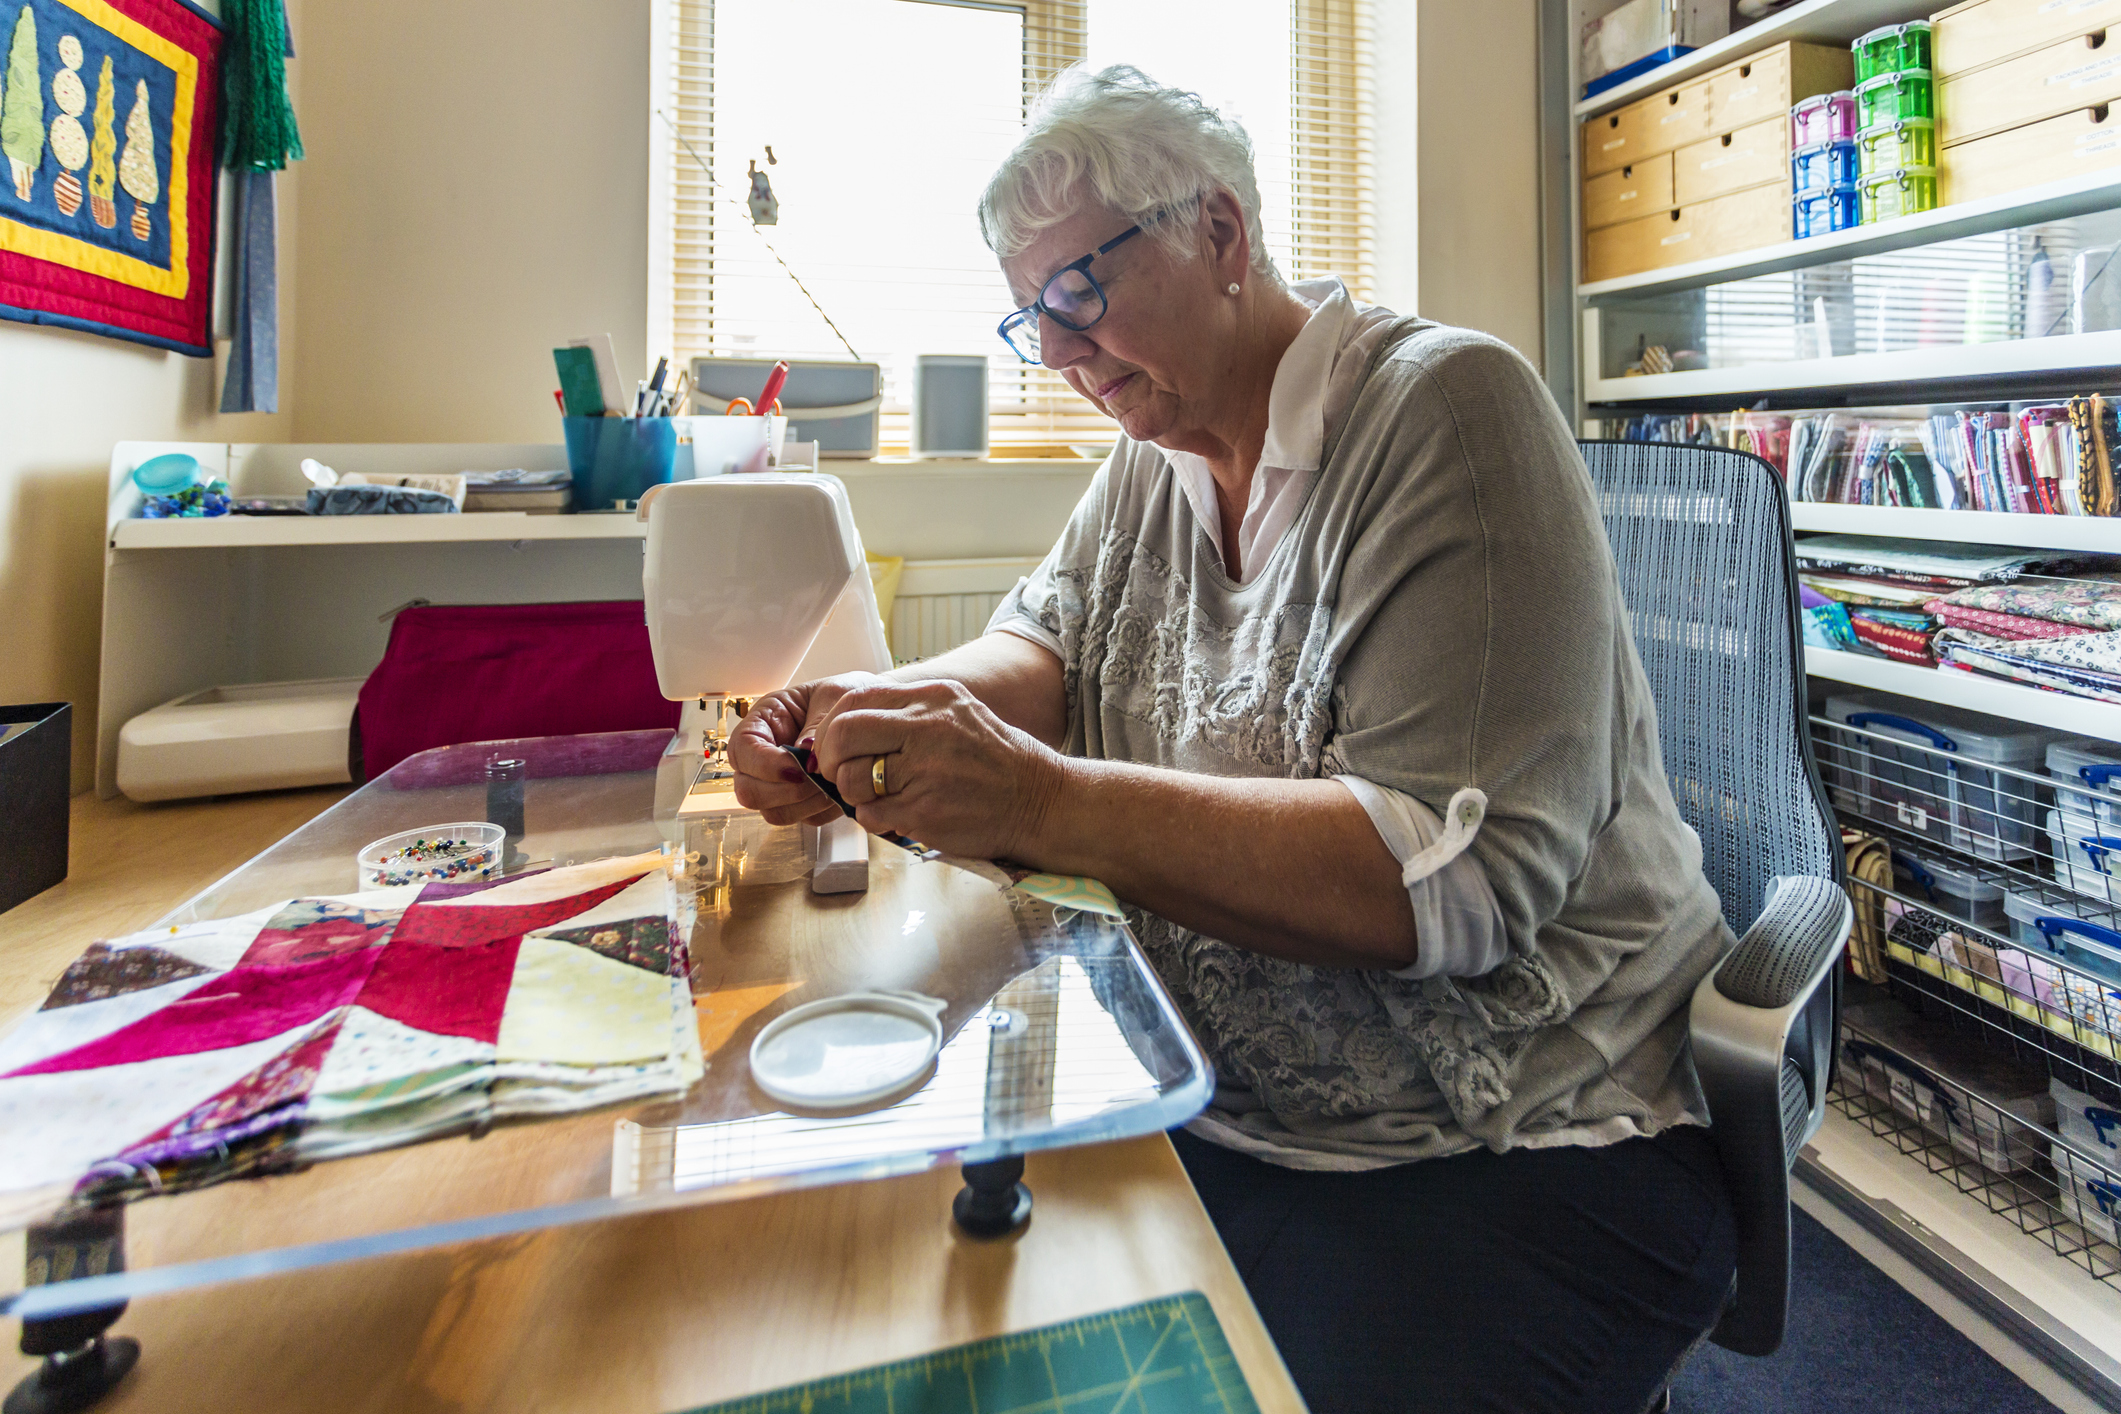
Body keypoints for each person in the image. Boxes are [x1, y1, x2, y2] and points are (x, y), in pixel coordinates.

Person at [731, 64, 1737, 1414]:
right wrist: (879, 715)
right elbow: (1042, 648)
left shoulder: (1447, 412)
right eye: (1032, 316)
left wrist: (1033, 800)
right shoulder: (1153, 454)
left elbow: (1446, 885)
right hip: (1231, 1099)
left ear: (1217, 232)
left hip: (1517, 1145)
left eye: (1078, 296)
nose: (1059, 354)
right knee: (901, 1306)